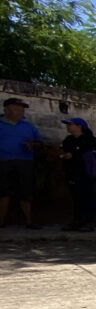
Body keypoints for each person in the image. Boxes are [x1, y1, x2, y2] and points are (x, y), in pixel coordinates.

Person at [0, 97, 43, 228]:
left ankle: (29, 221)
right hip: (3, 161)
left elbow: (40, 143)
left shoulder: (28, 126)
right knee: (3, 192)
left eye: (22, 109)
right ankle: (1, 221)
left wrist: (33, 144)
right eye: (17, 108)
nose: (21, 111)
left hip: (25, 162)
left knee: (25, 192)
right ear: (6, 109)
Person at [58, 117, 96, 231]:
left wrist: (76, 156)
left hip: (86, 172)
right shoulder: (68, 140)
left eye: (70, 124)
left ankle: (89, 222)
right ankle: (77, 221)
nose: (68, 126)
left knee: (88, 197)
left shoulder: (89, 140)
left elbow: (94, 156)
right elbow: (62, 152)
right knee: (76, 198)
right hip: (72, 172)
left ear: (79, 126)